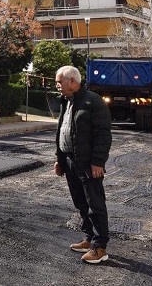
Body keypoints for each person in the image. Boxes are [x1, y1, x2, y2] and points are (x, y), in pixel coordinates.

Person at [54, 65, 112, 264]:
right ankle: (89, 238)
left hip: (88, 164)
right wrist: (60, 160)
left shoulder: (93, 102)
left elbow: (103, 135)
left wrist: (98, 162)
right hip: (71, 161)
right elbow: (63, 131)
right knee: (81, 203)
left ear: (72, 81)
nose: (57, 85)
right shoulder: (67, 101)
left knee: (95, 204)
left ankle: (100, 247)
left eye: (59, 81)